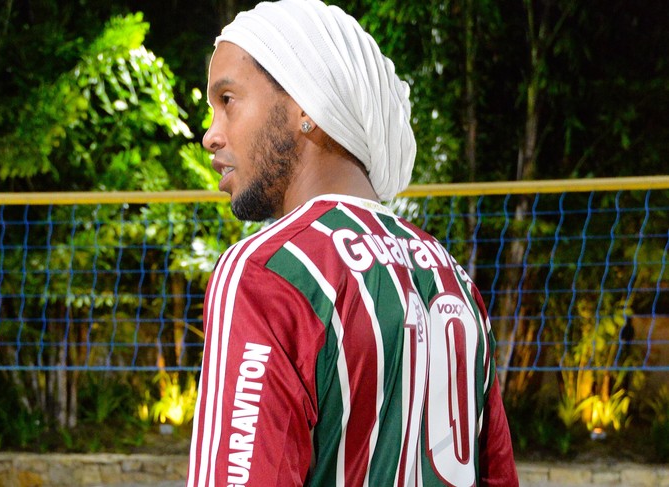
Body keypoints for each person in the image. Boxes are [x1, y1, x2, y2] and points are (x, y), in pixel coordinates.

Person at [187, 0, 519, 485]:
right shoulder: (452, 278)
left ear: (305, 102)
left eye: (228, 100)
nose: (210, 134)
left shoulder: (270, 271)